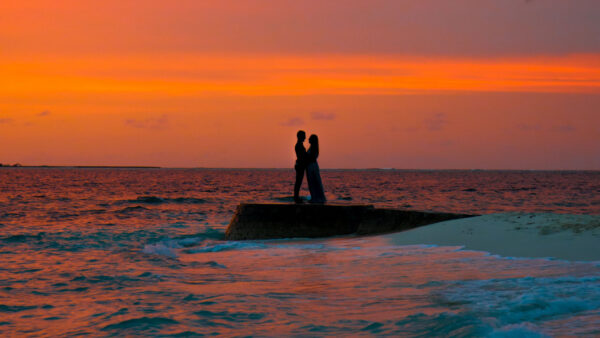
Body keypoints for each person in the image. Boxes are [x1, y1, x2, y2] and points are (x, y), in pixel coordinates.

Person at [306, 134, 326, 203]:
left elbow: (312, 158)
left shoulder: (313, 148)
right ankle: (315, 197)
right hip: (311, 166)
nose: (308, 139)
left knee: (313, 182)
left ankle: (315, 198)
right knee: (313, 182)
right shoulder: (312, 148)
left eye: (310, 138)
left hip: (312, 167)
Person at [293, 130, 307, 203]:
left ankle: (296, 197)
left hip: (300, 165)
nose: (305, 137)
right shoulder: (298, 145)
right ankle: (296, 197)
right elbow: (302, 156)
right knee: (298, 182)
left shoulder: (299, 144)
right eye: (304, 136)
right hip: (300, 165)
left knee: (298, 182)